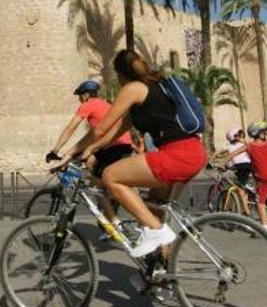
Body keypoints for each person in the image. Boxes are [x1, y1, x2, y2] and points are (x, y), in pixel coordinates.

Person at [54, 50, 207, 258]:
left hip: (176, 155)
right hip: (194, 152)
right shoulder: (152, 91)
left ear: (120, 73)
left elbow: (100, 128)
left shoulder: (133, 89)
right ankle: (160, 277)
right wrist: (91, 148)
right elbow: (115, 131)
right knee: (153, 211)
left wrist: (70, 152)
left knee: (110, 177)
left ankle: (156, 232)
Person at [47, 80, 133, 235]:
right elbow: (95, 134)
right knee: (91, 162)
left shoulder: (88, 104)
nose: (79, 100)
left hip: (112, 146)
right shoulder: (105, 104)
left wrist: (56, 149)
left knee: (95, 186)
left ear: (86, 95)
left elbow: (71, 128)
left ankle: (115, 224)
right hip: (120, 144)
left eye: (80, 96)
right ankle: (110, 200)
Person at [218, 122, 267, 232]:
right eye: (262, 132)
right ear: (258, 134)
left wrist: (222, 164)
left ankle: (265, 229)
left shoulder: (249, 146)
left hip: (264, 176)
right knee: (265, 193)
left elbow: (232, 155)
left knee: (260, 202)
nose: (264, 134)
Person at [210, 128, 251, 216]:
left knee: (239, 188)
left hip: (240, 166)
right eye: (237, 135)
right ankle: (245, 201)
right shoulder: (242, 144)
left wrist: (210, 161)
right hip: (248, 165)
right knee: (243, 184)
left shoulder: (228, 146)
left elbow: (217, 153)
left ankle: (247, 212)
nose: (238, 137)